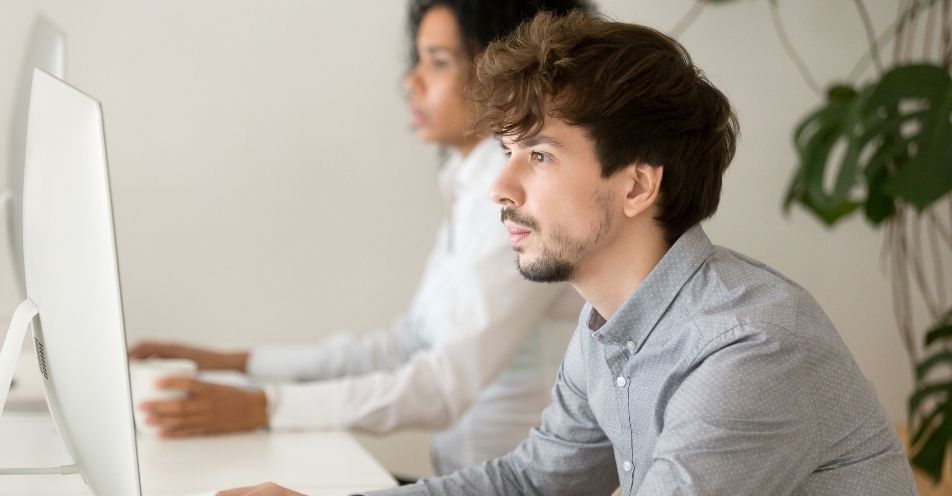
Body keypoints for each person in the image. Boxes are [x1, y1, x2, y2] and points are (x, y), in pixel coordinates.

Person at [217, 10, 918, 496]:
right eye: (507, 152)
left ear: (638, 184)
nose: (500, 185)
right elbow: (532, 483)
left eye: (540, 155)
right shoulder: (606, 332)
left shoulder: (751, 349)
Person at [128, 0, 592, 478]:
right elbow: (408, 343)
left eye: (437, 62)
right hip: (461, 479)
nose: (411, 82)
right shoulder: (471, 184)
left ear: (503, 68)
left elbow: (441, 386)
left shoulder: (518, 199)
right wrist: (240, 365)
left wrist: (263, 406)